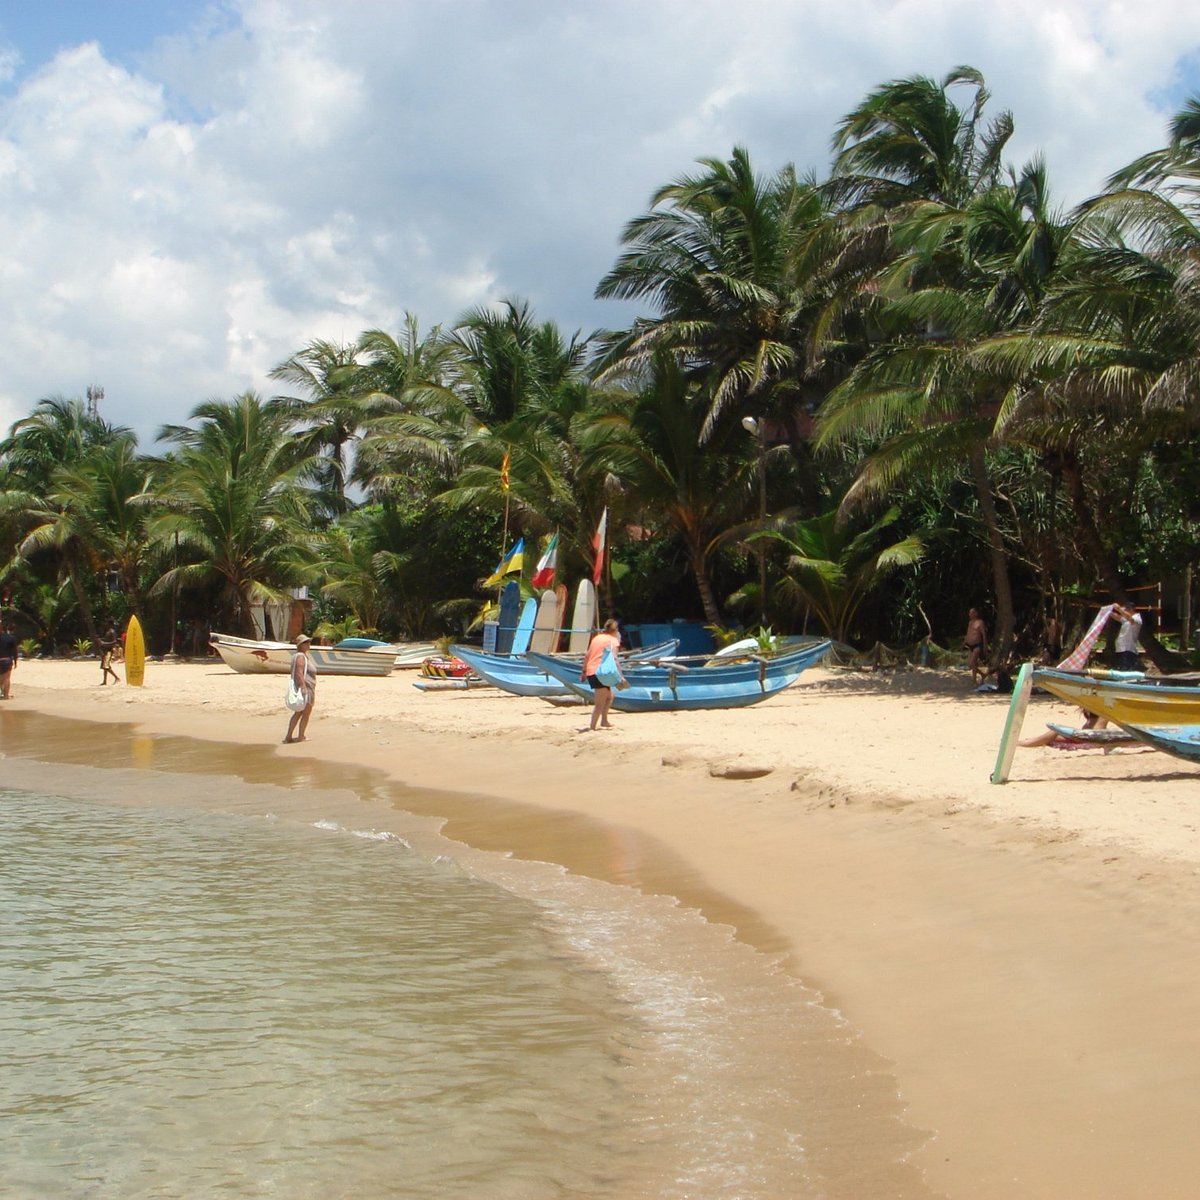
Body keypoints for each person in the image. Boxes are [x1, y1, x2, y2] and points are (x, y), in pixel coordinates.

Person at [580, 618, 624, 732]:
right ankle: (592, 727)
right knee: (599, 703)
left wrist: (584, 672)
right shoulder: (613, 641)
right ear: (615, 630)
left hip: (592, 671)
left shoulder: (597, 638)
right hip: (600, 673)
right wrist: (621, 675)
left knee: (610, 697)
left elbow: (587, 655)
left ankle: (604, 721)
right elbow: (615, 658)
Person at [283, 633, 317, 743]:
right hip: (306, 688)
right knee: (305, 713)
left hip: (305, 688)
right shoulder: (301, 657)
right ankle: (301, 736)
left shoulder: (299, 656)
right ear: (301, 645)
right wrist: (303, 688)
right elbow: (299, 672)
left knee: (298, 713)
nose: (309, 644)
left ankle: (289, 736)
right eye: (307, 642)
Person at [1112, 603, 1143, 672]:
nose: (1124, 611)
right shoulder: (1126, 619)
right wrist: (1108, 611)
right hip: (1121, 648)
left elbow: (1130, 619)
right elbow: (1118, 617)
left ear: (1131, 609)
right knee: (1120, 669)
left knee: (1126, 670)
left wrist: (1119, 609)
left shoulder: (1137, 618)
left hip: (1128, 649)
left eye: (1126, 610)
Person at [963, 607, 988, 686]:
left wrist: (985, 646)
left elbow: (983, 635)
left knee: (971, 664)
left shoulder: (980, 622)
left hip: (977, 645)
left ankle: (981, 675)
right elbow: (968, 634)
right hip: (970, 645)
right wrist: (964, 643)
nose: (970, 614)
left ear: (976, 614)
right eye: (969, 613)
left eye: (972, 612)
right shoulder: (970, 623)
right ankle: (975, 680)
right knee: (972, 664)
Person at [0, 618, 17, 699]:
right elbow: (14, 651)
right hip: (6, 660)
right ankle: (6, 695)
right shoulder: (10, 638)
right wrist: (16, 661)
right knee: (6, 678)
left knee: (1, 678)